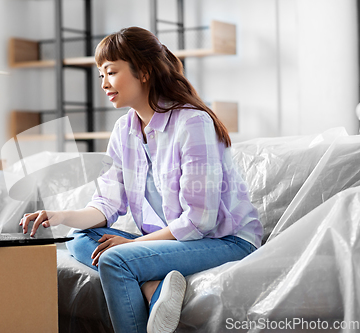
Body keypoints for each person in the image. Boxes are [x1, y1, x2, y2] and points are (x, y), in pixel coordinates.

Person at [20, 26, 263, 333]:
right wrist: (59, 216)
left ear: (144, 72)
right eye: (100, 75)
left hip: (225, 241)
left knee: (114, 260)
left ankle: (148, 281)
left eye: (111, 72)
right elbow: (107, 203)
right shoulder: (125, 130)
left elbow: (201, 219)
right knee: (79, 237)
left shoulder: (193, 123)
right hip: (178, 239)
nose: (104, 83)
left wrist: (128, 246)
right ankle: (154, 286)